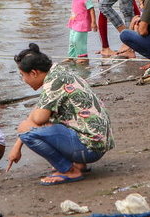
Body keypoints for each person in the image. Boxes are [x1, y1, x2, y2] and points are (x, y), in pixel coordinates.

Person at [9, 44, 113, 185]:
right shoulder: (58, 72)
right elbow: (38, 112)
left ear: (34, 73)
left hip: (90, 148)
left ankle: (69, 171)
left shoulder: (54, 82)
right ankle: (78, 164)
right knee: (36, 124)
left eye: (22, 75)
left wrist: (26, 130)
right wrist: (17, 146)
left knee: (26, 130)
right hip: (96, 142)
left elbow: (38, 118)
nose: (23, 80)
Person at [59, 0, 97, 65]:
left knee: (78, 40)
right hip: (74, 22)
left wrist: (93, 22)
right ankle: (71, 56)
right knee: (72, 40)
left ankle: (83, 56)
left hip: (82, 24)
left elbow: (91, 9)